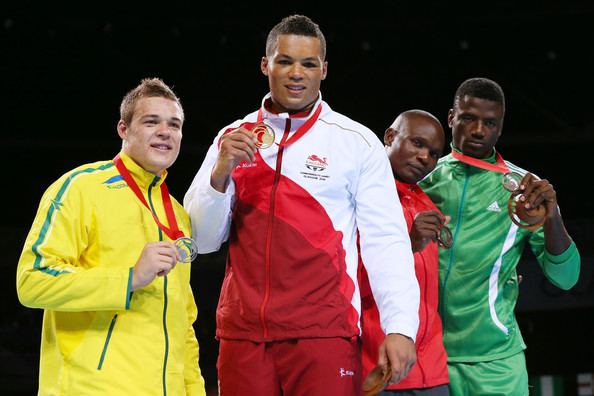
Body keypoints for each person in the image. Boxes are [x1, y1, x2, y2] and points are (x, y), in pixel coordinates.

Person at [184, 14, 419, 396]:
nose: (297, 73)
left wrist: (400, 328)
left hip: (323, 331)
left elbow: (386, 243)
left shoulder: (354, 142)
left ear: (323, 70)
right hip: (244, 335)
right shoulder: (232, 138)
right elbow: (203, 241)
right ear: (266, 64)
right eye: (285, 61)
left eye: (308, 64)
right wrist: (220, 173)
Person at [16, 78, 207, 396]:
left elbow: (183, 323)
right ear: (123, 129)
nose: (165, 131)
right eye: (151, 121)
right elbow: (32, 281)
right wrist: (129, 278)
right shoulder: (80, 188)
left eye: (174, 124)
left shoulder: (178, 215)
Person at [419, 77, 581, 395]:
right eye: (468, 118)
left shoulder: (525, 191)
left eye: (490, 122)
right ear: (452, 118)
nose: (478, 130)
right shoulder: (422, 181)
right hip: (429, 356)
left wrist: (553, 219)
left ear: (500, 127)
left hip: (497, 362)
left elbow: (567, 278)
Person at [359, 110, 449, 395]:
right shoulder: (360, 201)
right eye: (417, 143)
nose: (425, 157)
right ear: (389, 137)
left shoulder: (429, 206)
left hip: (432, 372)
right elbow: (344, 285)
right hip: (377, 366)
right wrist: (409, 244)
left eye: (434, 153)